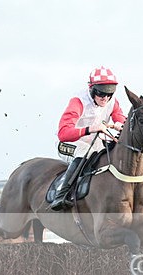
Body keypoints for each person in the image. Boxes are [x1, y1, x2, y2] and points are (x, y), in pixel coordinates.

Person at [51, 66, 127, 211]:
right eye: (101, 93)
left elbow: (120, 117)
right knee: (85, 152)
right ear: (91, 89)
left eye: (109, 93)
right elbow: (64, 133)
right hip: (70, 142)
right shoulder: (78, 101)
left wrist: (119, 124)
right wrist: (90, 129)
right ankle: (61, 195)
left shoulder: (112, 101)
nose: (105, 98)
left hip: (96, 141)